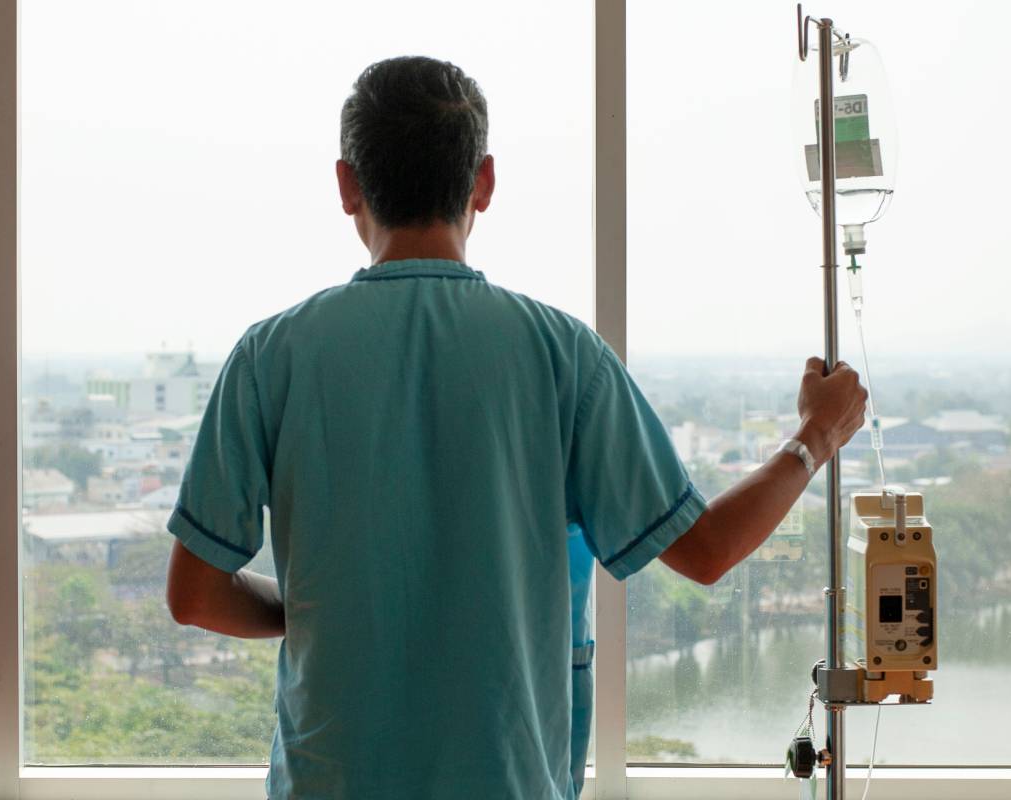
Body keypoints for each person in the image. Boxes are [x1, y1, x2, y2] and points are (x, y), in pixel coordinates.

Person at [165, 55, 868, 800]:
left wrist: (322, 605)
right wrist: (815, 437)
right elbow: (705, 550)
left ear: (346, 186)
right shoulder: (561, 357)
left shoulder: (271, 357)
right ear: (484, 182)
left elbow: (196, 594)